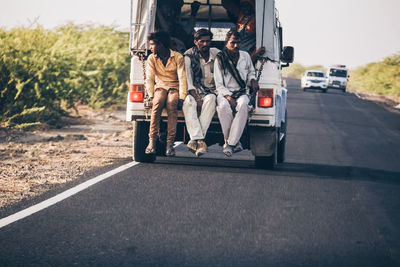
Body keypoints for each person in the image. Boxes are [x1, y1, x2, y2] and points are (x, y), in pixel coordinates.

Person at [214, 30, 259, 157]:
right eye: (232, 43)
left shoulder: (245, 56)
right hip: (225, 93)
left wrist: (253, 80)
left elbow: (251, 72)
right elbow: (219, 84)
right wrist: (228, 97)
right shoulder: (220, 58)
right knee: (223, 107)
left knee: (244, 105)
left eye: (238, 43)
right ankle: (234, 142)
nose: (236, 46)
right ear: (226, 43)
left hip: (242, 92)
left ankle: (229, 144)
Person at [145, 31, 187, 157]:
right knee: (157, 104)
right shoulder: (152, 58)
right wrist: (151, 96)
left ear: (161, 45)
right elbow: (149, 78)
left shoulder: (178, 57)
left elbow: (182, 77)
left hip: (174, 87)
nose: (151, 47)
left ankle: (170, 144)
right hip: (160, 87)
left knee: (171, 105)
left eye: (153, 45)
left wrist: (182, 97)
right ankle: (152, 141)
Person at [183, 29, 220, 157]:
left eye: (208, 41)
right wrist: (197, 99)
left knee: (211, 99)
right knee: (188, 103)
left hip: (211, 91)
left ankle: (195, 140)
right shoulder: (188, 56)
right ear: (195, 42)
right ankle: (201, 140)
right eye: (202, 41)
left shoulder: (216, 54)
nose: (205, 44)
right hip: (194, 91)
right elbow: (188, 81)